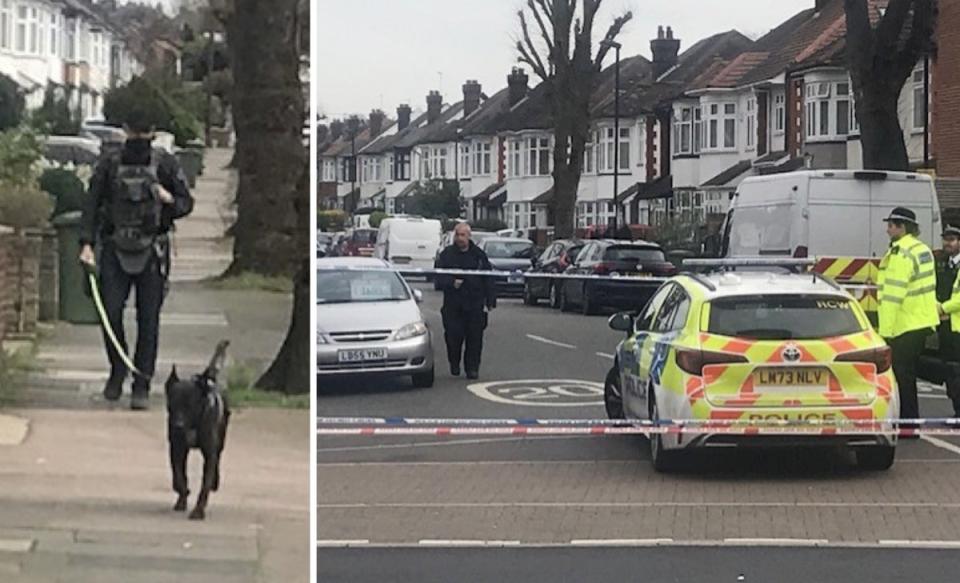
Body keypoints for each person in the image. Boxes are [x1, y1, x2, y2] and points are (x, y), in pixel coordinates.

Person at [79, 113, 194, 410]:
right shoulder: (109, 162)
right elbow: (91, 203)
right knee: (110, 313)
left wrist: (169, 200)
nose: (140, 136)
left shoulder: (165, 163)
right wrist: (86, 243)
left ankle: (141, 382)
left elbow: (185, 203)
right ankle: (118, 369)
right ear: (127, 130)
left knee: (148, 320)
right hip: (115, 247)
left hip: (152, 249)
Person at [877, 207, 939, 428]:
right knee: (908, 374)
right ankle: (909, 422)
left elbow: (894, 295)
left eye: (891, 225)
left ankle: (907, 423)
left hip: (904, 324)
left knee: (902, 376)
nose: (887, 230)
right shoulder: (921, 249)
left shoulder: (901, 253)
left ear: (902, 227)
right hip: (920, 321)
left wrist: (885, 332)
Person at [435, 223, 496, 379]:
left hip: (474, 304)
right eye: (457, 235)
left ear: (469, 237)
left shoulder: (479, 255)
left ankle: (472, 368)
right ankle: (454, 362)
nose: (460, 238)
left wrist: (490, 300)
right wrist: (451, 283)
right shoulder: (447, 255)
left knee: (475, 338)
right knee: (453, 337)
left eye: (463, 235)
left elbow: (488, 278)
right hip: (453, 305)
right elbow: (438, 277)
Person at [937, 225, 960, 417]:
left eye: (952, 240)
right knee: (950, 371)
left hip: (958, 326)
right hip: (946, 326)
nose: (948, 243)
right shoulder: (941, 264)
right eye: (946, 239)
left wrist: (943, 308)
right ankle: (956, 410)